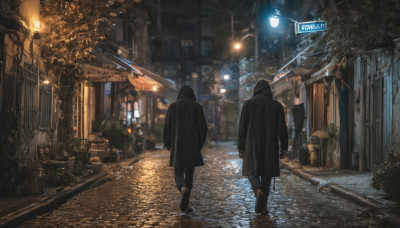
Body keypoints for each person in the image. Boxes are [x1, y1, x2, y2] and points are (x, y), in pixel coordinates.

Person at [237, 79, 288, 214]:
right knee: (267, 175)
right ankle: (263, 206)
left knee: (250, 170)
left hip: (252, 144)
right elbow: (282, 128)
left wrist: (241, 147)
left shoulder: (248, 105)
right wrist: (284, 147)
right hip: (270, 145)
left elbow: (242, 128)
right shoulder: (277, 106)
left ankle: (257, 189)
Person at [163, 85, 208, 212]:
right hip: (193, 144)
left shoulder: (173, 107)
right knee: (189, 173)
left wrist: (167, 143)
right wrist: (199, 143)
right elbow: (203, 128)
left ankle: (182, 188)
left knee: (178, 171)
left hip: (177, 144)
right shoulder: (197, 107)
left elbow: (167, 126)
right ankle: (186, 204)